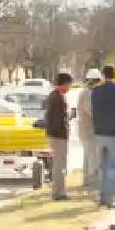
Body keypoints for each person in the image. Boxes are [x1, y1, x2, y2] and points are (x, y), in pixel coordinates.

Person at [90, 65, 115, 209]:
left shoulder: (95, 90)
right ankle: (110, 199)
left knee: (102, 166)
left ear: (103, 75)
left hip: (99, 131)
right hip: (114, 132)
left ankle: (102, 197)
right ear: (114, 75)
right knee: (113, 167)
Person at [42, 72, 73, 201]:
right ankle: (58, 193)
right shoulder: (58, 98)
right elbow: (57, 119)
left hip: (55, 135)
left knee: (59, 164)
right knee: (59, 165)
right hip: (58, 136)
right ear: (64, 84)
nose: (69, 88)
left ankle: (59, 190)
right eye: (68, 85)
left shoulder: (55, 96)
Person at [76, 69, 101, 188]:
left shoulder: (88, 92)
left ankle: (86, 180)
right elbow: (91, 111)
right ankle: (92, 181)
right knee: (93, 157)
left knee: (87, 156)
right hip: (88, 129)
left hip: (86, 129)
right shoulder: (87, 93)